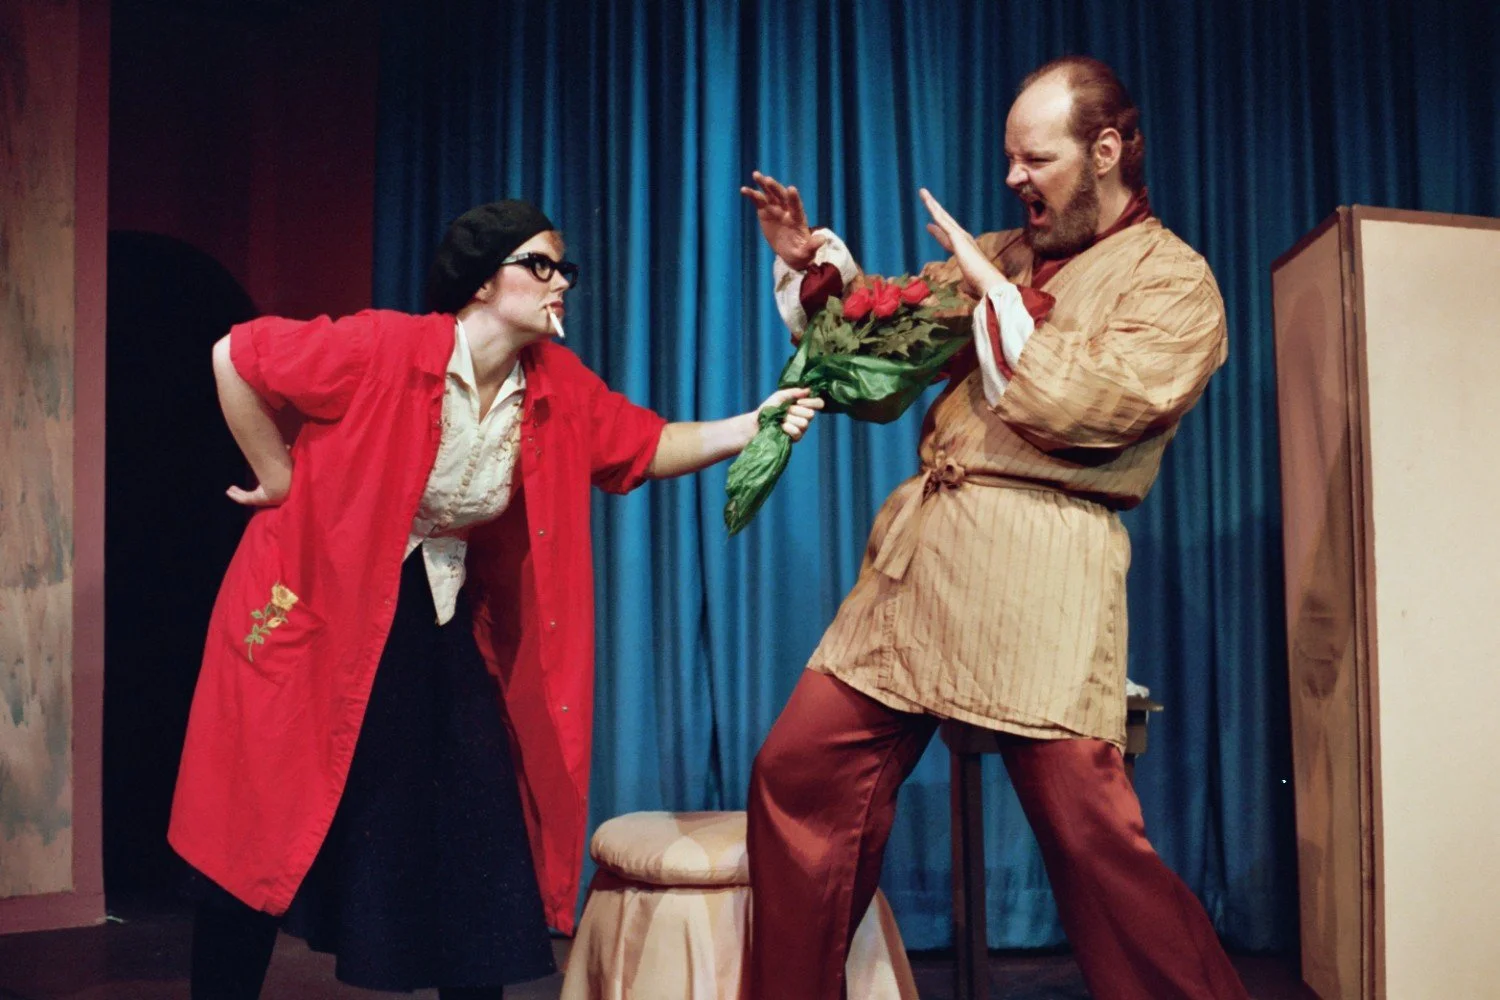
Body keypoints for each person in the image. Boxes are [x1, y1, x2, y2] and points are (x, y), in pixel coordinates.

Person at [168, 199, 823, 1000]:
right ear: (481, 283)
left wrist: (750, 425)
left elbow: (645, 445)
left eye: (564, 269)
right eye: (540, 265)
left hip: (432, 608)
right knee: (263, 820)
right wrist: (276, 474)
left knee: (476, 812)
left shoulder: (554, 384)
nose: (561, 284)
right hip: (312, 608)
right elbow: (235, 354)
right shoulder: (383, 346)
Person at [739, 56, 1248, 1000]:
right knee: (799, 773)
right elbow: (879, 355)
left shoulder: (1174, 283)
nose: (1013, 179)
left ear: (1105, 152)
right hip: (922, 564)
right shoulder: (1005, 253)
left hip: (1040, 567)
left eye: (1036, 159)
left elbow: (1090, 404)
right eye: (1009, 158)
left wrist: (995, 295)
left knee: (1092, 840)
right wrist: (813, 262)